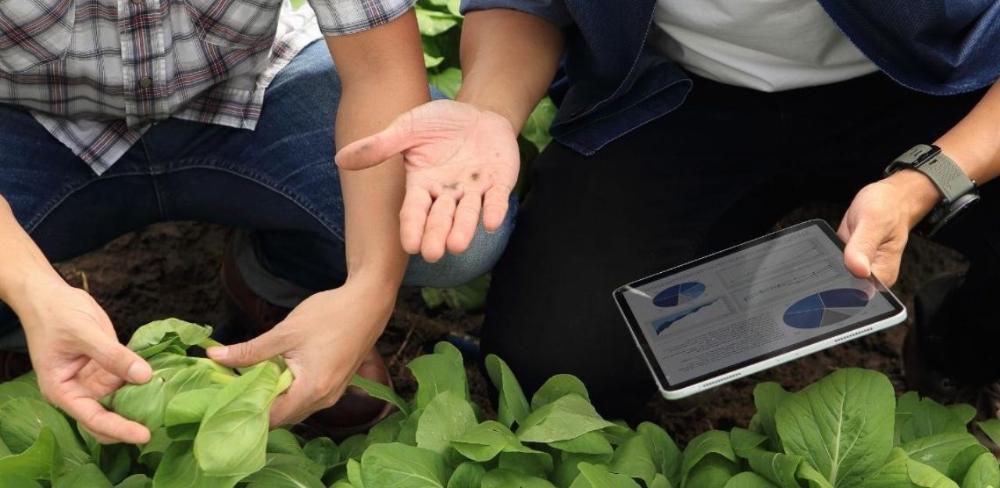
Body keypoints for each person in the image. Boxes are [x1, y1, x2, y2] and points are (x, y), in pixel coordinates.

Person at [337, 0, 1000, 419]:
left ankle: (957, 339)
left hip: (933, 86)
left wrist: (924, 180)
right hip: (682, 93)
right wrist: (488, 106)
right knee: (562, 364)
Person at [0, 1, 512, 444]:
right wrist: (28, 288)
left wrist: (369, 288)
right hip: (27, 122)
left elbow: (379, 70)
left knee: (451, 225)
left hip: (245, 93)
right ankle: (26, 329)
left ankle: (278, 282)